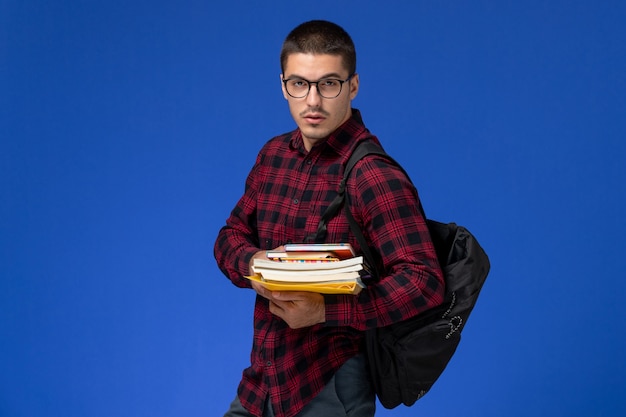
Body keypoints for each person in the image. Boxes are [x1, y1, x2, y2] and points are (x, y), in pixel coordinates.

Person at [214, 20, 444, 417]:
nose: (313, 101)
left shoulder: (372, 174)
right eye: (299, 84)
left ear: (353, 86)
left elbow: (424, 281)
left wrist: (325, 311)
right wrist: (254, 263)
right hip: (262, 382)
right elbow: (230, 235)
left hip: (329, 387)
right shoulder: (273, 156)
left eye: (329, 84)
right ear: (283, 84)